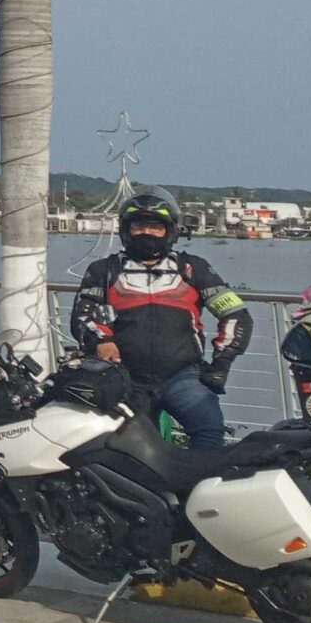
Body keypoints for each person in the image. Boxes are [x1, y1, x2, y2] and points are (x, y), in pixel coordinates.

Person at [69, 189, 252, 449]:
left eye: (155, 227)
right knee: (126, 447)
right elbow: (82, 315)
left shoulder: (193, 268)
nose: (146, 232)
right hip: (123, 377)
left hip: (182, 376)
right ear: (125, 229)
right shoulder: (104, 270)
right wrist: (101, 340)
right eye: (138, 226)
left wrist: (221, 363)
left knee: (210, 431)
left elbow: (236, 314)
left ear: (170, 230)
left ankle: (194, 477)